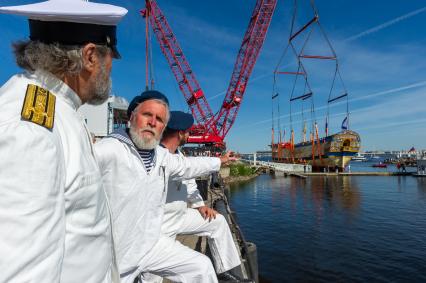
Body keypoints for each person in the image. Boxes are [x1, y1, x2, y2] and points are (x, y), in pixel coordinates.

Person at [0, 1, 127, 282]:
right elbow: (23, 274)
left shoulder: (56, 111)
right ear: (91, 56)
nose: (112, 69)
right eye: (111, 58)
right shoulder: (30, 129)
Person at [95, 90, 235, 283]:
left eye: (159, 119)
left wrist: (219, 162)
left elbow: (188, 167)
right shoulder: (107, 150)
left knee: (201, 268)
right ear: (132, 116)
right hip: (119, 254)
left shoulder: (160, 156)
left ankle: (228, 273)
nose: (153, 122)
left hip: (150, 243)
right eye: (147, 115)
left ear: (163, 127)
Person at [153, 111, 246, 282]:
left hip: (179, 215)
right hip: (161, 224)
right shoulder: (157, 155)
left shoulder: (178, 154)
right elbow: (189, 168)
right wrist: (220, 161)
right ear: (180, 133)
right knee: (152, 277)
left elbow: (188, 182)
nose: (190, 135)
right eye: (188, 131)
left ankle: (225, 271)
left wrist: (199, 205)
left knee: (217, 222)